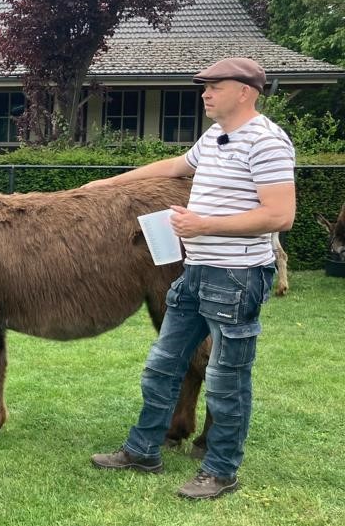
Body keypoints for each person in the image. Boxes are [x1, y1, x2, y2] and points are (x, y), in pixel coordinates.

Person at [87, 57, 295, 500]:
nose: (205, 93)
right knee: (163, 364)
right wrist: (105, 185)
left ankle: (221, 470)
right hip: (196, 272)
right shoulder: (217, 136)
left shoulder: (268, 142)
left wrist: (205, 225)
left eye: (214, 86)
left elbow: (281, 215)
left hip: (237, 277)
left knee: (226, 377)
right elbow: (174, 167)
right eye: (205, 86)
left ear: (245, 91)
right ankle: (143, 450)